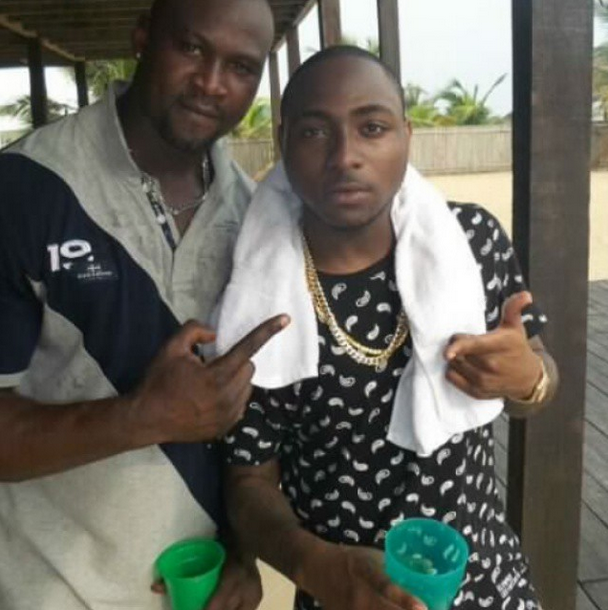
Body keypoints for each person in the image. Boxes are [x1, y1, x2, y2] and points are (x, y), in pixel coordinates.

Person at [220, 47, 559, 610]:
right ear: (283, 142)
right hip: (344, 595)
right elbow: (247, 480)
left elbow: (538, 383)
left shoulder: (471, 244)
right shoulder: (256, 297)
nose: (345, 156)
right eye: (314, 132)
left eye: (372, 128)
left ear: (407, 135)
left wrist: (529, 380)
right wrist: (319, 567)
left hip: (490, 584)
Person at [0, 1, 287, 609]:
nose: (211, 83)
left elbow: (260, 423)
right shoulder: (26, 188)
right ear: (142, 37)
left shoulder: (257, 218)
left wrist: (241, 552)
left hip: (196, 590)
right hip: (46, 591)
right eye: (192, 48)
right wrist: (140, 417)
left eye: (240, 67)